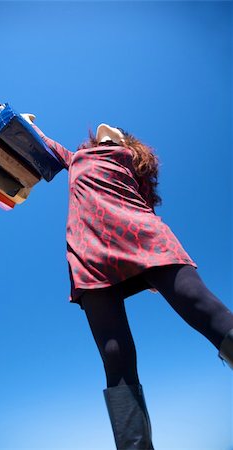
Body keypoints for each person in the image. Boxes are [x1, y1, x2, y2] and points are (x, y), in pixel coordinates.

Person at [22, 115, 233, 450]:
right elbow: (41, 142)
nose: (111, 124)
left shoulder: (132, 160)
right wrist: (27, 123)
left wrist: (147, 272)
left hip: (142, 236)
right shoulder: (76, 157)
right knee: (114, 354)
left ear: (128, 142)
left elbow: (146, 202)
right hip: (89, 252)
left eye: (120, 129)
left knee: (204, 308)